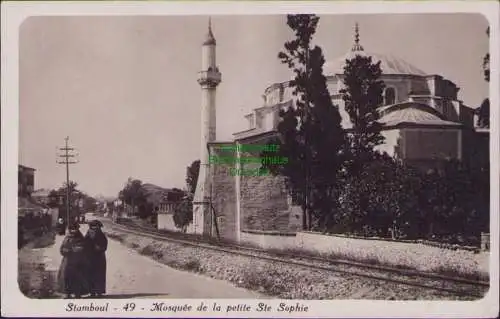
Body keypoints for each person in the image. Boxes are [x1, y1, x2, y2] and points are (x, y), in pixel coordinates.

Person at [57, 223, 90, 299]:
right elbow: (62, 248)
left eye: (75, 229)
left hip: (78, 262)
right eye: (71, 229)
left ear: (77, 229)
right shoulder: (67, 238)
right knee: (66, 277)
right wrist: (65, 251)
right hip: (67, 261)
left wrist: (75, 250)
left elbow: (83, 248)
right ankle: (67, 293)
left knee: (77, 278)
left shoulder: (80, 237)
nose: (73, 231)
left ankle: (77, 294)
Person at [84, 220, 108, 297]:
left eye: (96, 227)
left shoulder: (101, 235)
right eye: (93, 227)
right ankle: (92, 292)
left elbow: (104, 245)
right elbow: (84, 244)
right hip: (90, 257)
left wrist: (100, 248)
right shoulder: (88, 234)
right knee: (90, 274)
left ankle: (99, 291)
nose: (95, 229)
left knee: (99, 274)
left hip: (99, 257)